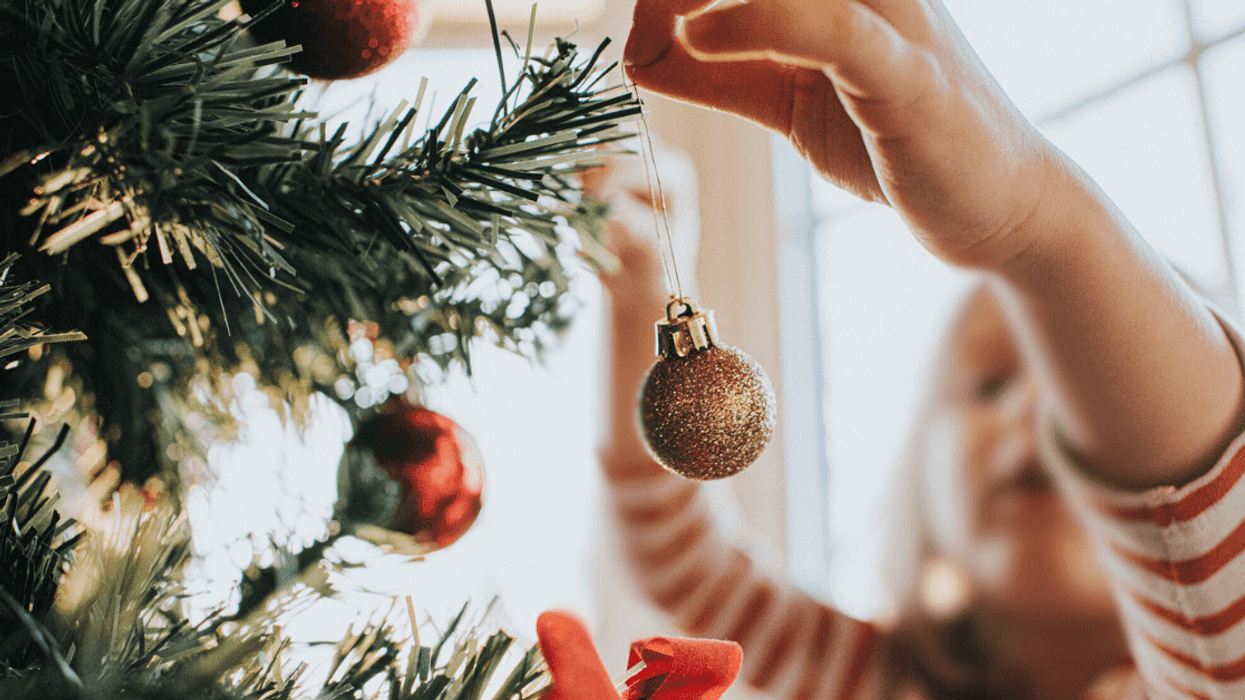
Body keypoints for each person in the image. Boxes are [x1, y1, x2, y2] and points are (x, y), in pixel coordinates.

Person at [531, 1, 1245, 699]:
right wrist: (645, 295)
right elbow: (682, 563)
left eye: (1086, 393)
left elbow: (1209, 561)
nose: (1035, 410)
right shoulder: (874, 683)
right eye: (988, 386)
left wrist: (1033, 227)